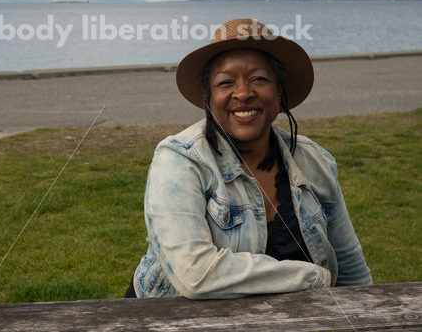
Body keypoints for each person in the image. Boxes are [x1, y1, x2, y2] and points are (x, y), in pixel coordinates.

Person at [125, 18, 372, 299]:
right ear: (209, 97)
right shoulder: (180, 160)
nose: (243, 93)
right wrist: (312, 277)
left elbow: (352, 269)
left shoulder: (315, 161)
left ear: (279, 92)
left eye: (258, 79)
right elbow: (196, 274)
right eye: (225, 82)